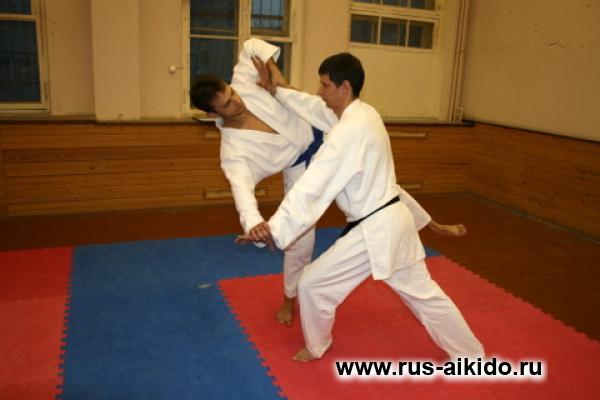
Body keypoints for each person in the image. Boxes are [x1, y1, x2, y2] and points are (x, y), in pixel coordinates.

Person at [190, 39, 467, 327]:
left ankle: (432, 225)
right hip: (301, 169)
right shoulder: (234, 153)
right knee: (299, 244)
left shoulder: (245, 84)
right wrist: (254, 223)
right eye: (227, 104)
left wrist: (276, 75)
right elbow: (242, 192)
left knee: (383, 189)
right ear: (213, 114)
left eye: (231, 92)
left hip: (321, 127)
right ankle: (289, 298)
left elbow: (251, 46)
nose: (237, 101)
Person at [240, 52, 484, 362]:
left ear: (344, 87)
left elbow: (313, 186)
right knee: (425, 295)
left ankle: (317, 346)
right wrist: (277, 90)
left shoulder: (348, 133)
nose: (319, 91)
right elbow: (312, 107)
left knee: (312, 284)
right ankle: (472, 356)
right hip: (392, 221)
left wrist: (273, 229)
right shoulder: (366, 115)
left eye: (325, 85)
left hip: (374, 229)